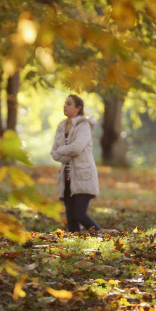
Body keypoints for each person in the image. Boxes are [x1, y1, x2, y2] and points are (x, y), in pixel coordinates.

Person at [50, 94, 100, 233]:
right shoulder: (61, 126)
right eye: (65, 103)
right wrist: (64, 153)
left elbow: (77, 148)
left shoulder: (84, 125)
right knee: (71, 218)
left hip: (83, 177)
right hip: (66, 179)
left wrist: (62, 151)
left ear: (78, 108)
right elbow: (54, 152)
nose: (65, 106)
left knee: (79, 214)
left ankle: (101, 235)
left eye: (69, 103)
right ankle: (75, 246)